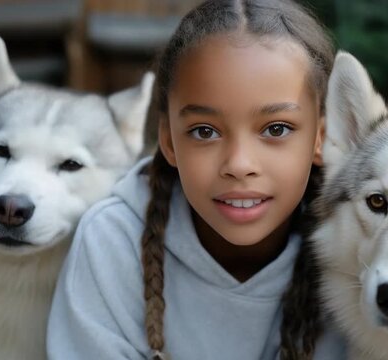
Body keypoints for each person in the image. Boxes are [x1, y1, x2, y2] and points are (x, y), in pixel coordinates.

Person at [47, 0, 346, 359]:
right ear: (169, 141)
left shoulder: (354, 252)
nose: (239, 164)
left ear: (321, 139)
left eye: (276, 128)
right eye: (205, 131)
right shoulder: (113, 241)